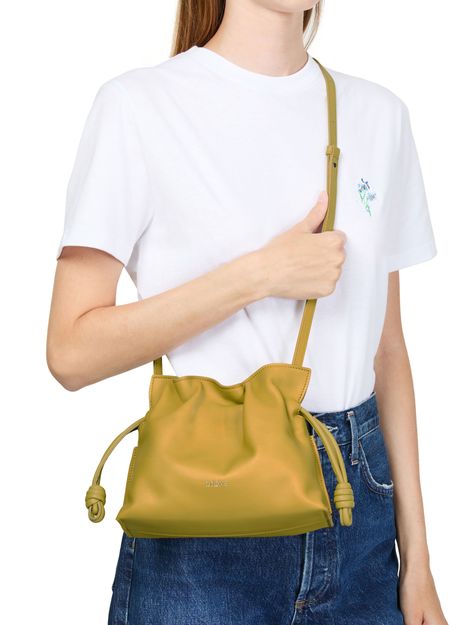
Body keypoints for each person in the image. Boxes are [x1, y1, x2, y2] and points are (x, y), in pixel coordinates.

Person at [46, 1, 448, 624]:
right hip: (205, 524)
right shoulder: (139, 106)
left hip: (359, 516)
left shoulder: (378, 115)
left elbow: (388, 351)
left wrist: (417, 559)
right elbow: (70, 353)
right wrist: (259, 276)